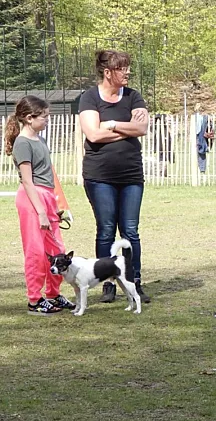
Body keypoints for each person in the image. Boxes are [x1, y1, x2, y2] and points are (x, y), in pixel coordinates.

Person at [78, 50, 151, 305]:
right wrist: (124, 128)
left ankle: (135, 282)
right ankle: (107, 283)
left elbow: (141, 128)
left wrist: (109, 124)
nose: (128, 72)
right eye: (122, 69)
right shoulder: (89, 98)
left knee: (130, 231)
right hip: (99, 177)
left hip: (131, 175)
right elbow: (93, 136)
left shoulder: (133, 96)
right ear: (107, 72)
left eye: (128, 68)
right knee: (106, 230)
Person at [4, 95, 76, 315]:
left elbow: (48, 174)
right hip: (31, 199)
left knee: (57, 250)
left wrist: (54, 205)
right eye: (44, 117)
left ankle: (53, 294)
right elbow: (27, 180)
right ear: (29, 118)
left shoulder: (41, 140)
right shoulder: (22, 143)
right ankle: (34, 300)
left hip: (46, 196)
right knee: (35, 252)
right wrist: (41, 212)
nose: (47, 121)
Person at [193, 103, 214, 175]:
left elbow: (210, 127)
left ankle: (201, 169)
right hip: (198, 135)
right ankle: (200, 169)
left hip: (201, 136)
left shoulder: (205, 117)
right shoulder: (195, 117)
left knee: (201, 152)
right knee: (198, 153)